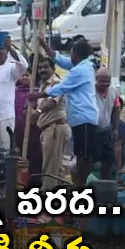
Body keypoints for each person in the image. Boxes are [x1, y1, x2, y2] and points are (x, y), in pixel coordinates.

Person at [29, 37, 98, 188]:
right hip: (80, 119)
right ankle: (74, 187)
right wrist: (45, 46)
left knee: (82, 157)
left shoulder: (80, 70)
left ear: (75, 54)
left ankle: (80, 187)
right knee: (74, 159)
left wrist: (38, 95)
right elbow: (63, 61)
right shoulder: (82, 65)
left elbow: (60, 89)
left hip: (83, 118)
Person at [31, 56, 71, 191]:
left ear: (53, 69)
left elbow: (52, 102)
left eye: (45, 67)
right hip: (48, 129)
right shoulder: (42, 85)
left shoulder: (56, 83)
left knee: (50, 168)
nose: (42, 70)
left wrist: (38, 111)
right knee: (58, 168)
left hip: (55, 128)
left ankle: (46, 197)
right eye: (40, 67)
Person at [94, 67, 121, 180]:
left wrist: (115, 128)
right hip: (92, 130)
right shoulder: (89, 91)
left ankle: (104, 181)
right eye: (102, 81)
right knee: (89, 159)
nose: (105, 84)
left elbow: (116, 108)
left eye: (107, 81)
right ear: (96, 79)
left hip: (106, 130)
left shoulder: (113, 91)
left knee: (108, 160)